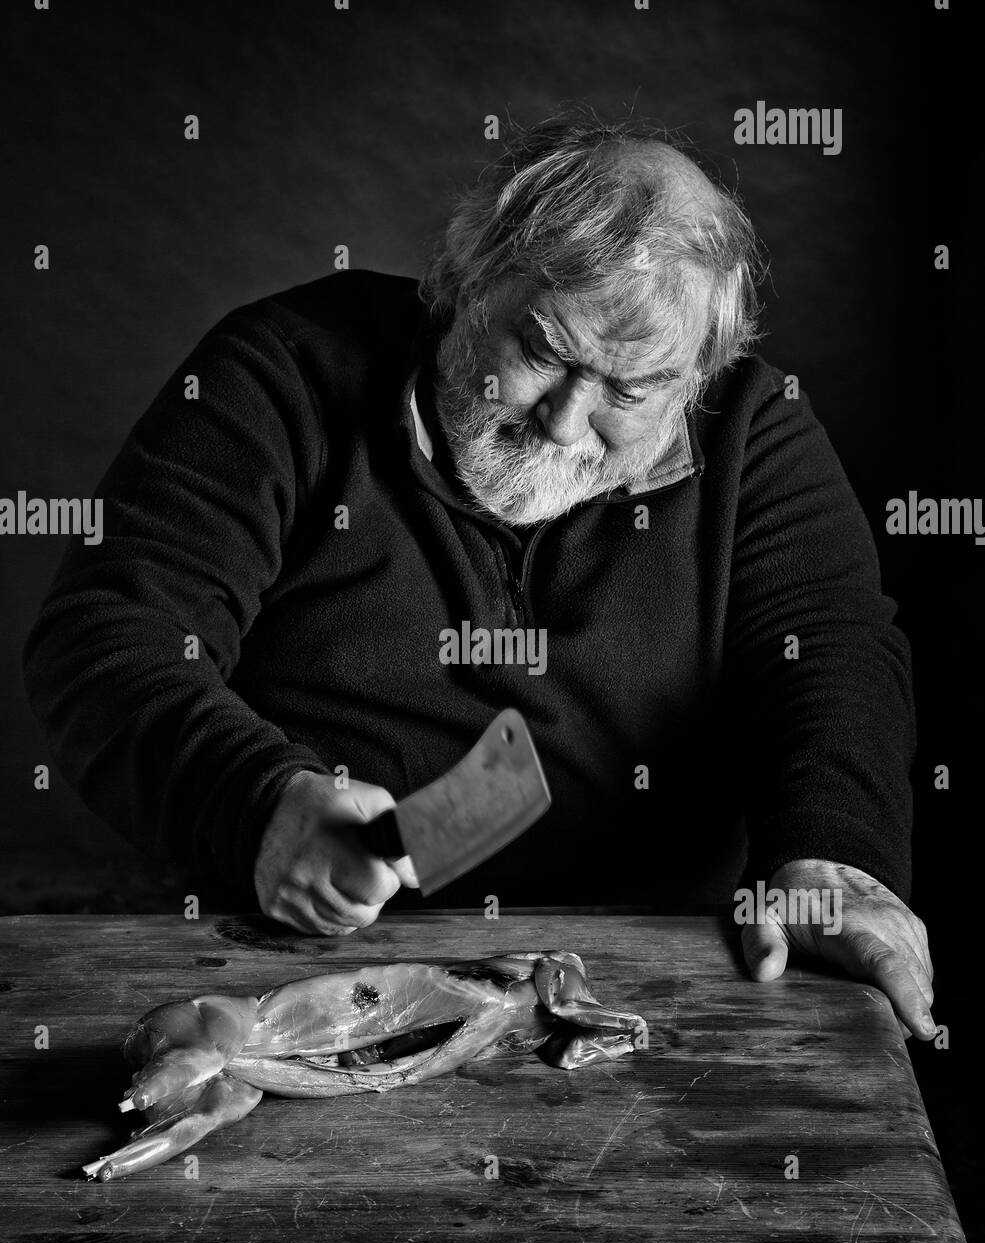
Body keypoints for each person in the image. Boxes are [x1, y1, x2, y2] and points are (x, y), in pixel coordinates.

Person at [23, 115, 934, 1040]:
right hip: (296, 971)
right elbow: (107, 637)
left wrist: (833, 857)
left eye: (629, 391)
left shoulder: (751, 427)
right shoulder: (282, 371)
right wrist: (251, 803)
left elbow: (829, 652)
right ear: (459, 286)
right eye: (541, 353)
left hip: (664, 976)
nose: (567, 423)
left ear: (697, 374)